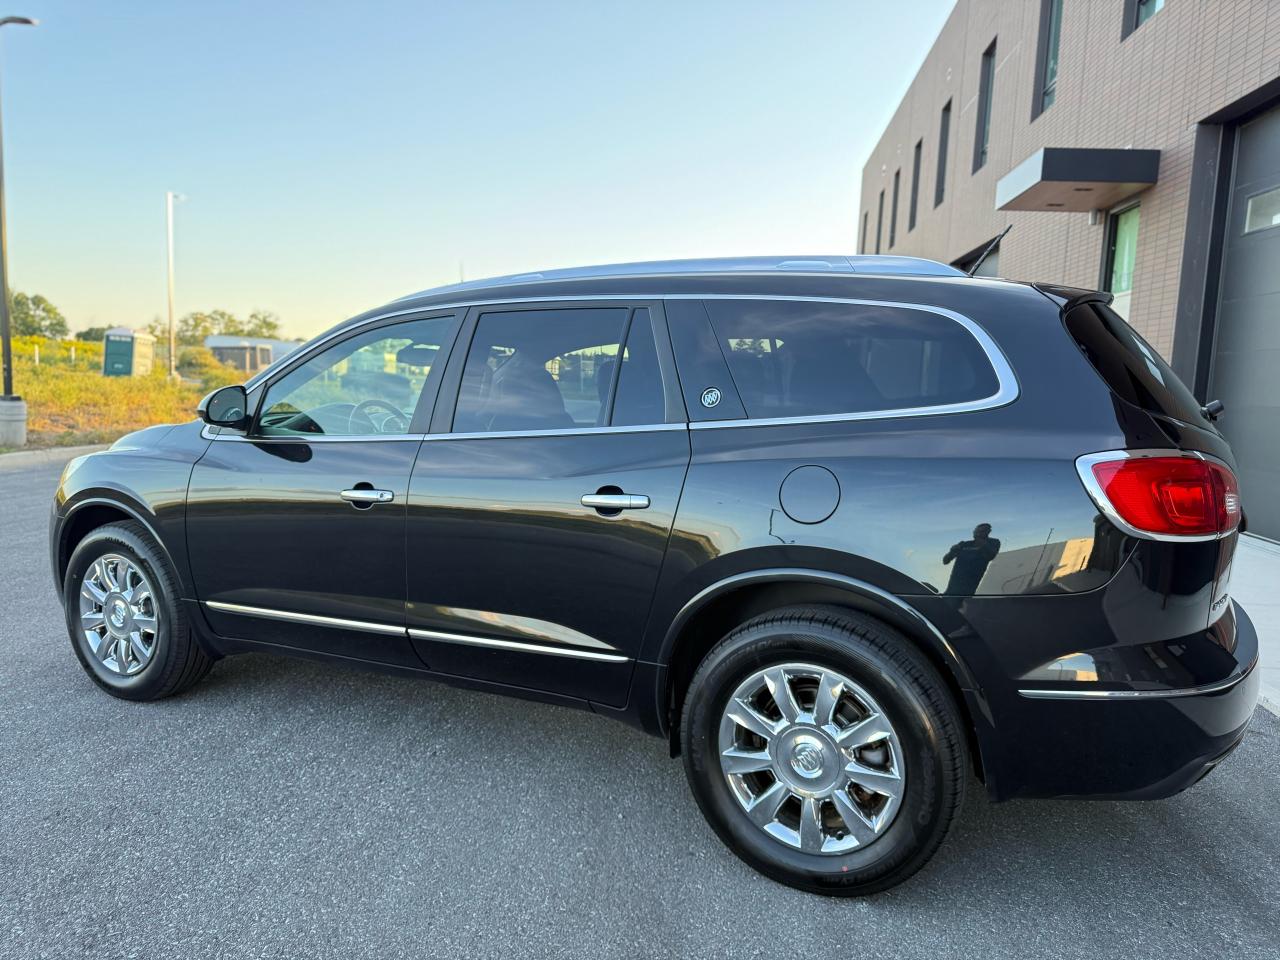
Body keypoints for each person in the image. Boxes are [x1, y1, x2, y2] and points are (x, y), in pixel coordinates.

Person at [942, 523, 1000, 596]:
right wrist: (952, 551)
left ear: (988, 532)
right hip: (953, 588)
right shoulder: (965, 544)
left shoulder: (993, 543)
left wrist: (981, 542)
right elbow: (945, 561)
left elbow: (991, 555)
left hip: (970, 588)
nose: (977, 533)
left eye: (981, 531)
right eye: (976, 531)